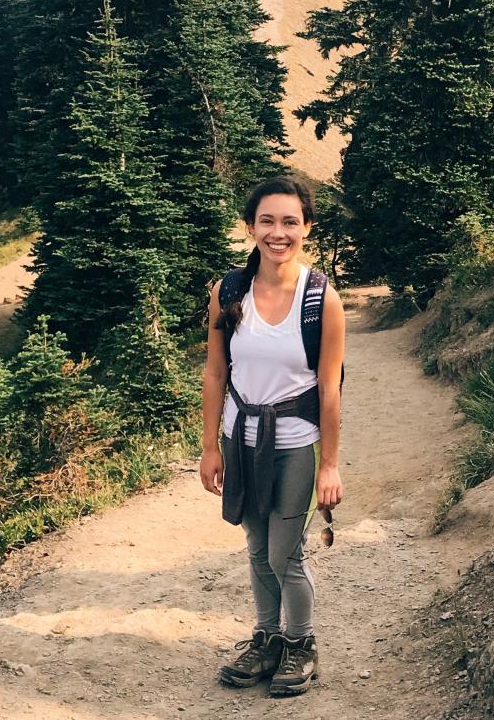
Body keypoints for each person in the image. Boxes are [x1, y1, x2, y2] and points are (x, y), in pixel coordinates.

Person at [199, 176, 346, 697]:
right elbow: (216, 372)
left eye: (289, 222)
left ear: (306, 228)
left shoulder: (321, 300)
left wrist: (330, 464)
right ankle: (266, 638)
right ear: (251, 227)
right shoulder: (229, 291)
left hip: (296, 443)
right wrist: (209, 447)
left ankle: (300, 643)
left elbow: (329, 389)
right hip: (241, 440)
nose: (277, 232)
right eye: (267, 221)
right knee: (256, 546)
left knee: (286, 552)